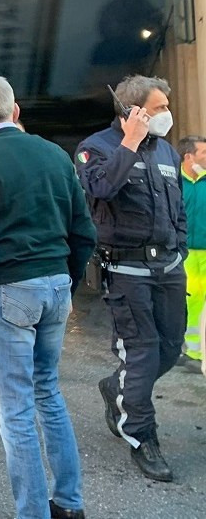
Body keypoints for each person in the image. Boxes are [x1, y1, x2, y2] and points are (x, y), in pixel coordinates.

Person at [0, 77, 96, 519]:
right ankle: (69, 504)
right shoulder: (55, 155)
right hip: (55, 285)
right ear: (16, 112)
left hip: (8, 291)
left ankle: (32, 513)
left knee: (16, 411)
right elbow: (84, 232)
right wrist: (64, 283)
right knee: (48, 393)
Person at [75, 75, 187, 482]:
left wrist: (180, 248)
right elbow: (101, 188)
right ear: (132, 111)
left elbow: (178, 211)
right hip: (126, 271)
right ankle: (141, 436)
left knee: (171, 348)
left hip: (169, 269)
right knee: (142, 353)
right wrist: (130, 142)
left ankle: (117, 387)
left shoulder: (168, 153)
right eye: (159, 108)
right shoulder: (96, 149)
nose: (166, 115)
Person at [177, 135, 206, 372]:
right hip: (184, 254)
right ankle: (190, 351)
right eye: (204, 153)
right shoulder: (173, 181)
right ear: (189, 157)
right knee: (186, 302)